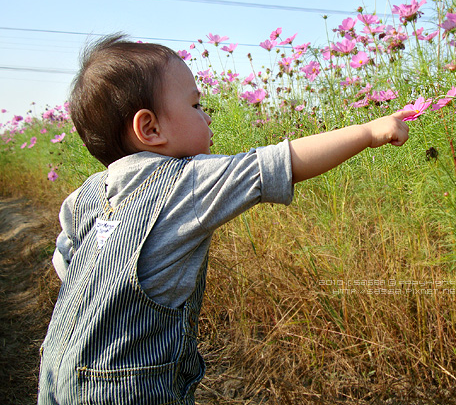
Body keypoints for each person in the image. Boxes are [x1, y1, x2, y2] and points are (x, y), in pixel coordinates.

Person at [38, 34, 416, 405]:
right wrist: (368, 132)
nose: (206, 116)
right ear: (150, 129)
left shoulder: (84, 196)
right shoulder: (184, 181)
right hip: (124, 389)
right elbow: (277, 163)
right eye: (197, 106)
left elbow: (69, 267)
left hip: (56, 371)